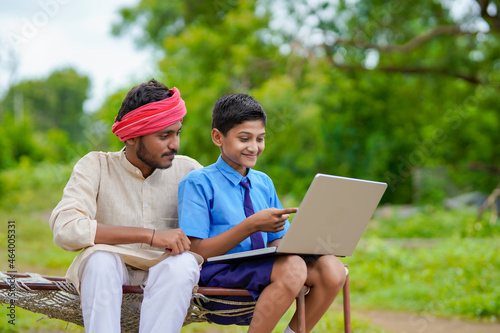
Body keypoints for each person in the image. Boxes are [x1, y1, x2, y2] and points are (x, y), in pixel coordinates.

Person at [178, 93, 347, 333]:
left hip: (261, 269)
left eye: (260, 139)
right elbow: (195, 251)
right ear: (218, 137)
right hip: (220, 275)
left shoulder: (263, 183)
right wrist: (251, 225)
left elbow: (277, 241)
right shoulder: (198, 182)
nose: (254, 147)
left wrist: (313, 242)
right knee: (294, 268)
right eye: (244, 138)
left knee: (332, 268)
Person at [49, 79, 203, 333]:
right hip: (104, 279)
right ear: (131, 136)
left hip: (167, 282)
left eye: (177, 133)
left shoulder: (189, 171)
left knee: (184, 263)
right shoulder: (96, 166)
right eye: (164, 135)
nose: (174, 144)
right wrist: (149, 236)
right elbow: (66, 229)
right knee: (100, 260)